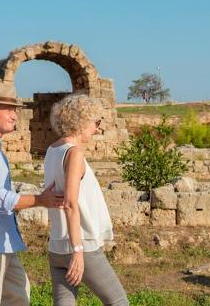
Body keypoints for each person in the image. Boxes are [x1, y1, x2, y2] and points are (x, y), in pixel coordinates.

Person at [0, 80, 63, 306]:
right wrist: (40, 200)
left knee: (18, 296)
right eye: (8, 109)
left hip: (0, 239)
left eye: (15, 109)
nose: (14, 115)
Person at [44, 94, 129, 306]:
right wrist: (78, 251)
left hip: (56, 245)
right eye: (96, 122)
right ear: (82, 122)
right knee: (118, 302)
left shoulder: (52, 150)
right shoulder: (74, 154)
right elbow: (70, 203)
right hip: (81, 245)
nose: (97, 128)